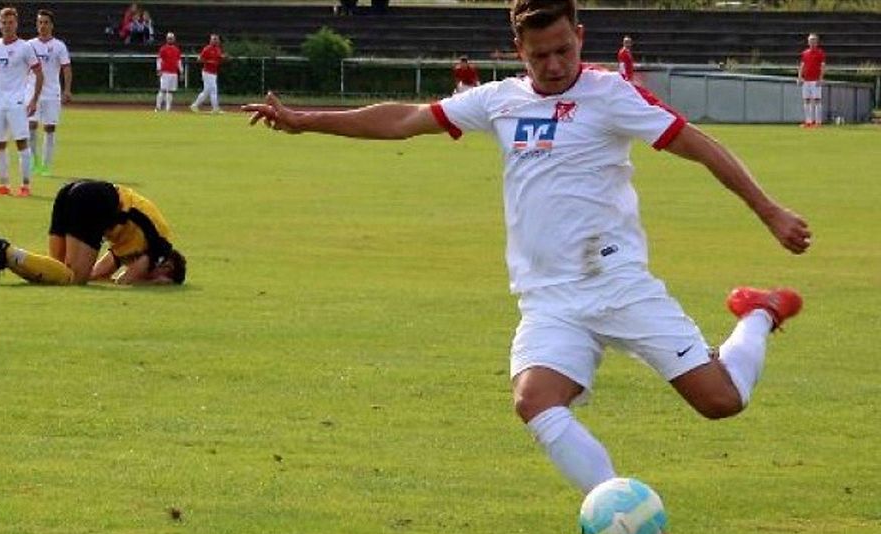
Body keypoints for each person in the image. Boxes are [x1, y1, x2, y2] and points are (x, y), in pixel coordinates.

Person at [242, 0, 812, 497]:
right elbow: (406, 119)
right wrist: (304, 120)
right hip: (548, 300)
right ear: (519, 49)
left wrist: (770, 211)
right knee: (534, 400)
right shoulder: (499, 101)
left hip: (617, 284)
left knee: (721, 400)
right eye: (540, 55)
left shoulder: (611, 94)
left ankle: (758, 311)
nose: (555, 64)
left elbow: (698, 145)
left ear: (580, 38)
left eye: (563, 50)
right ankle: (620, 508)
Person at [0, 179, 187, 286]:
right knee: (74, 278)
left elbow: (98, 274)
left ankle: (8, 255)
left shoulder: (131, 243)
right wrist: (153, 283)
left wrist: (104, 278)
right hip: (97, 200)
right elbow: (127, 281)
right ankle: (7, 253)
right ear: (167, 266)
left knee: (59, 274)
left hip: (76, 191)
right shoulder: (160, 247)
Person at [0, 6, 43, 197]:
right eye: (3, 22)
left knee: (21, 142)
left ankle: (25, 185)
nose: (7, 26)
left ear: (16, 24)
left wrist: (33, 99)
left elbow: (38, 73)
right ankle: (3, 185)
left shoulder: (25, 47)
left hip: (18, 102)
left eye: (10, 22)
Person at [25, 9, 72, 178]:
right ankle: (33, 160)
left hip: (52, 92)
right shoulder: (29, 45)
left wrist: (67, 89)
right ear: (37, 25)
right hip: (32, 92)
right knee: (31, 125)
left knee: (50, 128)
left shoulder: (59, 46)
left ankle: (46, 164)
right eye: (40, 22)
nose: (43, 25)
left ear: (51, 25)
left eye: (46, 22)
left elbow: (66, 68)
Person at [190, 33, 228, 114]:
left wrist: (223, 57)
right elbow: (199, 59)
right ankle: (215, 108)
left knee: (206, 92)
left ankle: (194, 105)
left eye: (217, 39)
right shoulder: (207, 49)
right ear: (210, 40)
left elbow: (218, 58)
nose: (216, 41)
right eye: (214, 39)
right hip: (207, 72)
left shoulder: (218, 49)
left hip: (214, 73)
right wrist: (208, 61)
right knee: (214, 90)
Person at [798, 33, 826, 128]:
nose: (812, 42)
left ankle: (818, 122)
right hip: (806, 80)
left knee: (817, 100)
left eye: (814, 40)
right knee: (806, 100)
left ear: (817, 42)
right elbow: (802, 66)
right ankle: (808, 121)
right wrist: (799, 77)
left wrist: (821, 78)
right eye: (810, 40)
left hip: (815, 80)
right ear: (808, 42)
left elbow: (822, 66)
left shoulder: (820, 53)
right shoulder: (804, 53)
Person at [155, 32, 182, 112]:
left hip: (173, 72)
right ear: (166, 39)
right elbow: (159, 60)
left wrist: (181, 71)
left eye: (171, 38)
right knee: (163, 89)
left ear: (174, 39)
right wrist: (159, 69)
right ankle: (158, 107)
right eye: (169, 38)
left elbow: (178, 61)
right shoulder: (163, 49)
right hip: (165, 72)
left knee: (170, 91)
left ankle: (168, 108)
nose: (170, 39)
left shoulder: (177, 50)